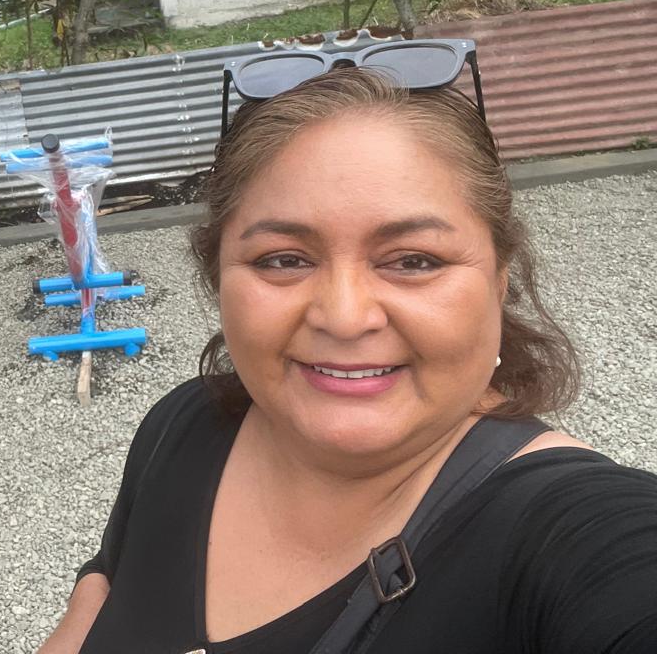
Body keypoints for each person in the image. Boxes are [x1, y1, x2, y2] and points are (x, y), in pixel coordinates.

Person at [37, 62, 657, 653]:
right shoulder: (184, 424)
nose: (344, 316)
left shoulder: (569, 532)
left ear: (499, 281)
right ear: (217, 277)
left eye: (414, 260)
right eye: (284, 259)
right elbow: (109, 580)